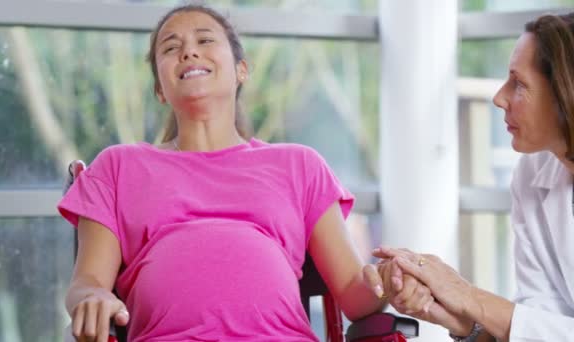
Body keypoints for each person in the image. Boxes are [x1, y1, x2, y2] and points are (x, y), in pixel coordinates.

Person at [58, 4, 431, 342]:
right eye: (171, 48)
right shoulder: (119, 166)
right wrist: (91, 298)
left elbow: (353, 290)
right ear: (159, 87)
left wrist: (386, 284)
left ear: (241, 69)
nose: (188, 51)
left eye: (205, 40)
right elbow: (87, 282)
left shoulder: (299, 165)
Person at [374, 12, 574, 342]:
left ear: (565, 95)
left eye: (519, 84)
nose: (500, 97)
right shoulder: (532, 172)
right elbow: (540, 324)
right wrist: (456, 315)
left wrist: (469, 298)